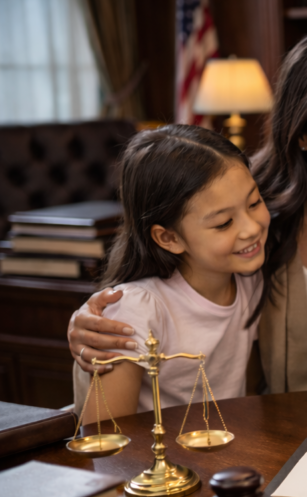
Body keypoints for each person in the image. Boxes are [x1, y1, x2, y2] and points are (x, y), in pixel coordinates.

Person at [67, 30, 307, 392]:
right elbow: (167, 292)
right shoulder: (252, 213)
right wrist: (92, 324)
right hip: (289, 426)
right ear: (300, 133)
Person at [74, 125, 268, 419]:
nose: (252, 228)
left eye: (254, 203)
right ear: (169, 238)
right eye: (224, 223)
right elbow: (106, 438)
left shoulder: (249, 280)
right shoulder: (135, 309)